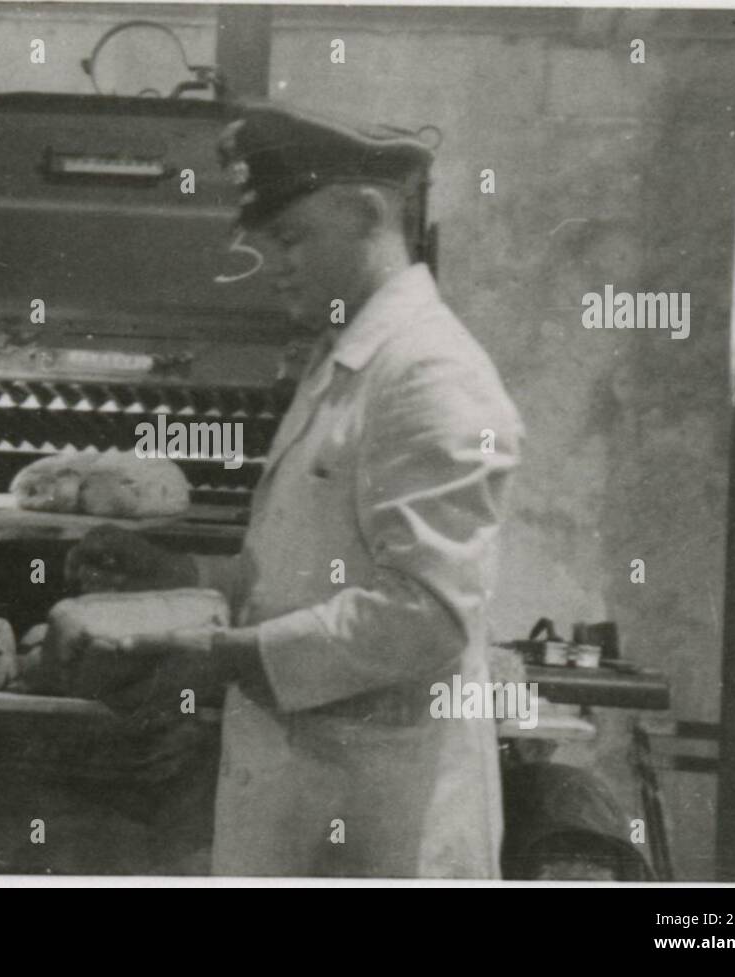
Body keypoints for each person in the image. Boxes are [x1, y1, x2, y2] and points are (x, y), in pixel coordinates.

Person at [66, 102, 524, 877]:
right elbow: (308, 568)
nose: (269, 263)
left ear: (366, 211)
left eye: (288, 237)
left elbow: (425, 615)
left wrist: (218, 657)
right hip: (314, 795)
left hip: (385, 820)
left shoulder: (429, 373)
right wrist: (179, 577)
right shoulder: (347, 360)